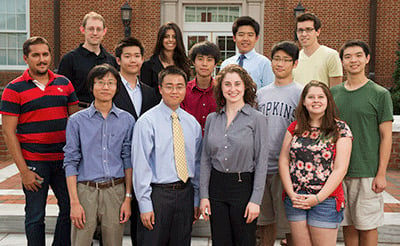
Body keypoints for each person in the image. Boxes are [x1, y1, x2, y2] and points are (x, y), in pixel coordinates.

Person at [0, 36, 79, 245]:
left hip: (64, 163)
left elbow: (75, 124)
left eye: (45, 54)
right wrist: (24, 172)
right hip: (35, 164)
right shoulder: (13, 89)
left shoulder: (65, 84)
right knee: (35, 216)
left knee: (70, 209)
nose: (41, 59)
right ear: (26, 58)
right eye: (36, 55)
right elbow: (8, 133)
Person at [63, 64, 134, 246]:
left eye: (111, 83)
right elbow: (70, 161)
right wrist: (74, 202)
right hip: (86, 191)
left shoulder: (127, 120)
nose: (105, 87)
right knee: (80, 242)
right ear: (91, 86)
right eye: (100, 82)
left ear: (117, 87)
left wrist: (127, 197)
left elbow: (128, 159)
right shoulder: (77, 121)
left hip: (115, 191)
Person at [331, 40, 393, 246]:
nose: (353, 60)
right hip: (339, 172)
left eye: (358, 55)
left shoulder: (380, 94)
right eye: (347, 56)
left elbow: (386, 137)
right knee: (347, 225)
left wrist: (381, 173)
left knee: (367, 226)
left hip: (367, 172)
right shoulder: (334, 94)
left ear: (367, 59)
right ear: (342, 62)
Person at [132, 66, 202, 246]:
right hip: (158, 196)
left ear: (186, 89)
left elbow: (197, 163)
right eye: (169, 86)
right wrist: (145, 204)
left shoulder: (191, 123)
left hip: (185, 194)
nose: (174, 91)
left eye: (179, 86)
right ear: (160, 89)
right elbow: (141, 166)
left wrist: (195, 199)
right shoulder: (147, 122)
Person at [200, 64, 268, 245]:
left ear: (245, 87)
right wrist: (204, 196)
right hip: (216, 187)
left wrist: (256, 200)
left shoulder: (257, 119)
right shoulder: (212, 119)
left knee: (244, 241)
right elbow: (205, 160)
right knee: (220, 241)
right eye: (227, 84)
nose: (232, 89)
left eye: (237, 84)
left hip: (243, 187)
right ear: (220, 88)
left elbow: (262, 162)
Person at [279, 81, 352, 246]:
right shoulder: (295, 127)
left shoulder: (340, 129)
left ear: (328, 101)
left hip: (326, 200)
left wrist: (318, 198)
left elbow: (341, 169)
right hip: (296, 198)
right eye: (311, 97)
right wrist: (291, 194)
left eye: (321, 96)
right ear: (304, 102)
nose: (316, 100)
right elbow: (284, 160)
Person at [256, 41, 303, 246]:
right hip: (261, 167)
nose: (280, 64)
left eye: (286, 60)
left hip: (287, 169)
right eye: (276, 59)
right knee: (264, 223)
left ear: (295, 64)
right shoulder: (261, 93)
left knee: (289, 225)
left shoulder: (300, 93)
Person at [113, 36, 158, 245]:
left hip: (145, 162)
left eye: (137, 56)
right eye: (128, 56)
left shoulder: (150, 92)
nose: (133, 60)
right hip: (117, 162)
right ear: (118, 60)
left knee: (142, 220)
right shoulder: (111, 90)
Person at [58, 11, 118, 108]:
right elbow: (62, 92)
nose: (95, 33)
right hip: (78, 112)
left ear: (104, 31)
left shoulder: (111, 61)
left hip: (106, 113)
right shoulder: (69, 59)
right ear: (82, 30)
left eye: (98, 29)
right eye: (91, 29)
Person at [140, 22, 192, 102]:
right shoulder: (148, 66)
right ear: (161, 39)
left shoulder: (184, 64)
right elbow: (146, 94)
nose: (170, 40)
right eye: (167, 37)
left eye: (174, 37)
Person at [220, 16, 274, 89]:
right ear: (234, 38)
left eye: (250, 35)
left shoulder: (264, 63)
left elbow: (269, 92)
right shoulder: (226, 64)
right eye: (241, 35)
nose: (245, 39)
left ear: (256, 38)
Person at [292, 13, 343, 87]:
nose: (304, 34)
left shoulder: (331, 55)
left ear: (318, 32)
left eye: (308, 30)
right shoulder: (294, 58)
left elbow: (335, 91)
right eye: (300, 30)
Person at [181, 41, 220, 135]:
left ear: (215, 64)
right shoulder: (183, 91)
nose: (204, 64)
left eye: (209, 60)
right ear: (193, 62)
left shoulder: (221, 91)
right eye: (200, 59)